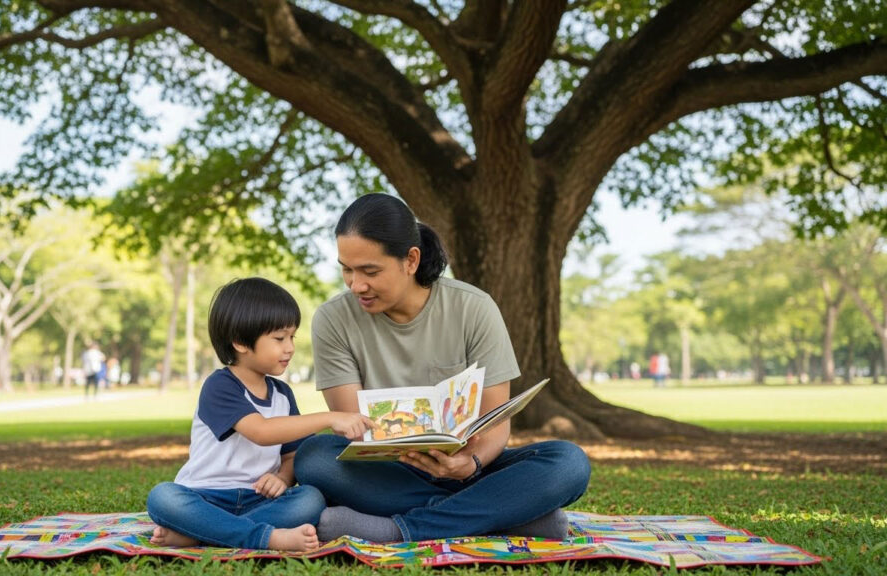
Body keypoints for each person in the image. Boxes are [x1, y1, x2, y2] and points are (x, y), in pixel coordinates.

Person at [294, 194, 591, 544]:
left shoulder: (473, 308)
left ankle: (400, 529)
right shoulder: (333, 320)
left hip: (469, 469)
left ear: (411, 260)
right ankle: (505, 516)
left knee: (568, 462)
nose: (356, 285)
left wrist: (471, 463)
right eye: (347, 269)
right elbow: (353, 424)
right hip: (387, 471)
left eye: (370, 271)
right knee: (314, 457)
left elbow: (496, 422)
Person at [146, 278, 373, 552]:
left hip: (258, 500)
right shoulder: (220, 386)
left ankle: (203, 532)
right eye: (279, 338)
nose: (289, 347)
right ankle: (267, 538)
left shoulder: (282, 394)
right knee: (163, 497)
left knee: (310, 498)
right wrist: (330, 417)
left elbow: (291, 457)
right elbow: (261, 432)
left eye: (292, 337)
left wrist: (283, 478)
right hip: (204, 496)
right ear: (240, 342)